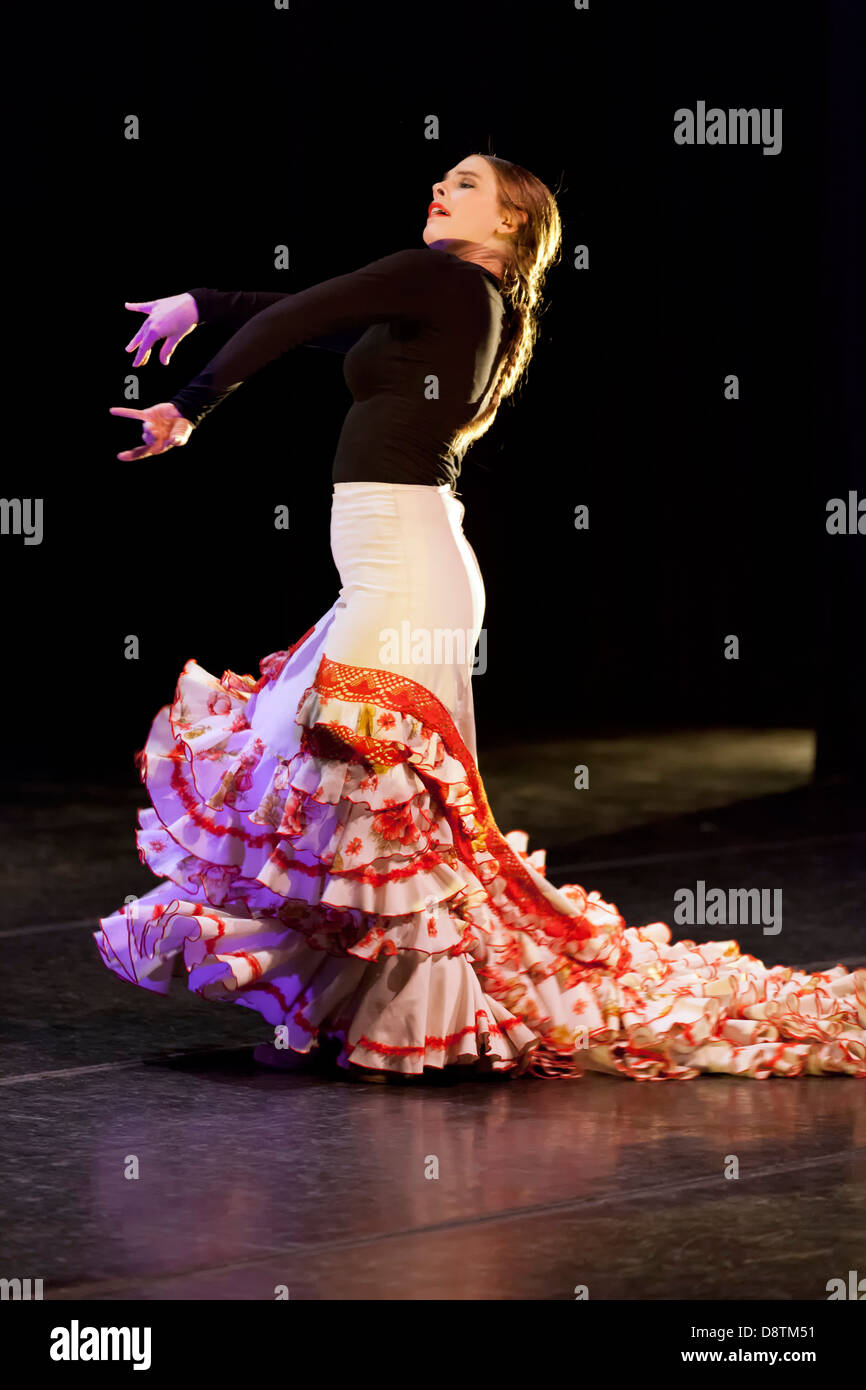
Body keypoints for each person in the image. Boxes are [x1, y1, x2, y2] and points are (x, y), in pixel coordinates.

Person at [97, 153, 866, 1083]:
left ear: (508, 225)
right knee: (341, 789)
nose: (438, 189)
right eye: (440, 179)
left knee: (349, 776)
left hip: (405, 567)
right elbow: (321, 321)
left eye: (464, 184)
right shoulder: (458, 300)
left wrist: (190, 401)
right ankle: (389, 1014)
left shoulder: (453, 280)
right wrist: (206, 307)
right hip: (404, 561)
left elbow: (309, 309)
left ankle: (411, 1016)